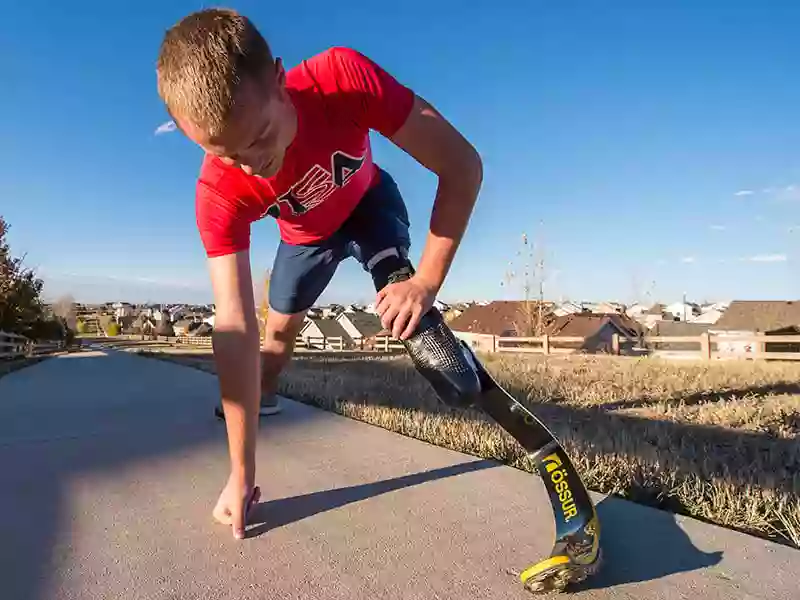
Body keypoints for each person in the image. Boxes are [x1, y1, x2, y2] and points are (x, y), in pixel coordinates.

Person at [156, 7, 483, 541]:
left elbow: (462, 165)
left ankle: (401, 289)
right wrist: (242, 474)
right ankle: (266, 393)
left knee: (393, 265)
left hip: (368, 202)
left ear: (281, 81)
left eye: (259, 137)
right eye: (227, 154)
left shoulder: (342, 78)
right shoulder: (218, 192)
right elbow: (233, 324)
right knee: (273, 343)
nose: (252, 165)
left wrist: (425, 282)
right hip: (303, 243)